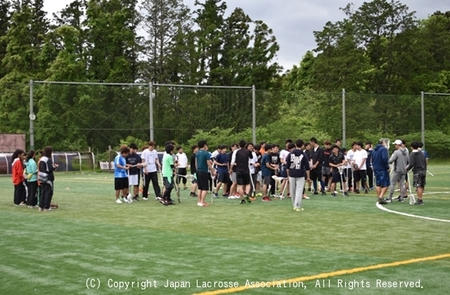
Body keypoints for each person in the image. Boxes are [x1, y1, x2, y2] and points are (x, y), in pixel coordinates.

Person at [286, 139, 311, 211]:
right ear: (302, 145)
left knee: (292, 190)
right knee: (299, 190)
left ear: (295, 145)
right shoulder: (303, 154)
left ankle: (294, 204)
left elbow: (287, 166)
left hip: (292, 173)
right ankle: (297, 205)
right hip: (300, 174)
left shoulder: (290, 154)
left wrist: (288, 176)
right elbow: (307, 167)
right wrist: (308, 177)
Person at [230, 140, 253, 204]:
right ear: (245, 145)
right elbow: (251, 157)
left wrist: (231, 168)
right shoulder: (248, 151)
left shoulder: (236, 152)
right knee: (248, 184)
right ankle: (247, 194)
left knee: (240, 185)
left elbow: (232, 161)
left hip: (238, 170)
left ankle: (242, 199)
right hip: (246, 170)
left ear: (239, 145)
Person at [195, 140, 216, 207]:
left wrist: (197, 169)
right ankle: (202, 201)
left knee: (200, 187)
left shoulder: (197, 153)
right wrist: (212, 170)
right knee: (205, 188)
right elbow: (208, 163)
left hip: (198, 171)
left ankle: (199, 201)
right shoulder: (206, 153)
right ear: (204, 145)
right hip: (203, 171)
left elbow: (196, 162)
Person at [38, 146, 59, 211]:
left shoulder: (41, 159)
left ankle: (41, 206)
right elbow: (50, 168)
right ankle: (46, 207)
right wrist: (55, 167)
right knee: (48, 192)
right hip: (48, 177)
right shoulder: (48, 159)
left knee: (42, 192)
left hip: (41, 177)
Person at [407, 141, 427, 205]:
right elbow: (425, 162)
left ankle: (420, 199)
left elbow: (411, 164)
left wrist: (407, 169)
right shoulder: (421, 153)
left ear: (412, 147)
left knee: (418, 186)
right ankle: (420, 198)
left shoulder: (412, 154)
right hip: (423, 170)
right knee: (421, 185)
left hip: (417, 171)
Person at [371, 139, 389, 204]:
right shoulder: (383, 149)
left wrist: (374, 166)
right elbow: (385, 159)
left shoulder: (374, 150)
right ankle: (381, 197)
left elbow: (372, 159)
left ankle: (379, 197)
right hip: (382, 168)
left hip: (376, 168)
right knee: (385, 184)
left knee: (378, 184)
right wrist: (387, 167)